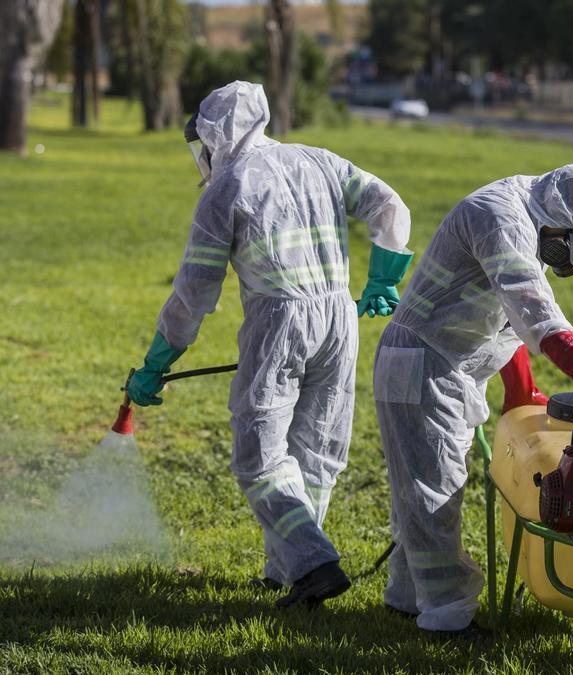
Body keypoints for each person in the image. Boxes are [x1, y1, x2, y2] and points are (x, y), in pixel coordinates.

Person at [127, 81, 413, 608]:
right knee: (316, 453)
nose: (203, 157)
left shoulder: (225, 189)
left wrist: (156, 360)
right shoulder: (318, 159)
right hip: (338, 320)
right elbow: (388, 204)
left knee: (258, 455)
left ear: (215, 135)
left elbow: (193, 295)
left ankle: (313, 564)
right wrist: (383, 277)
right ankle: (288, 571)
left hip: (278, 320)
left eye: (202, 145)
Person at [372, 158, 573, 640]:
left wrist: (519, 387)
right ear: (560, 217)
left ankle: (406, 599)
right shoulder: (499, 216)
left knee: (425, 490)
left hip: (449, 367)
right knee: (434, 495)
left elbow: (505, 314)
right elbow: (530, 307)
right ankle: (445, 619)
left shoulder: (534, 214)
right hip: (422, 365)